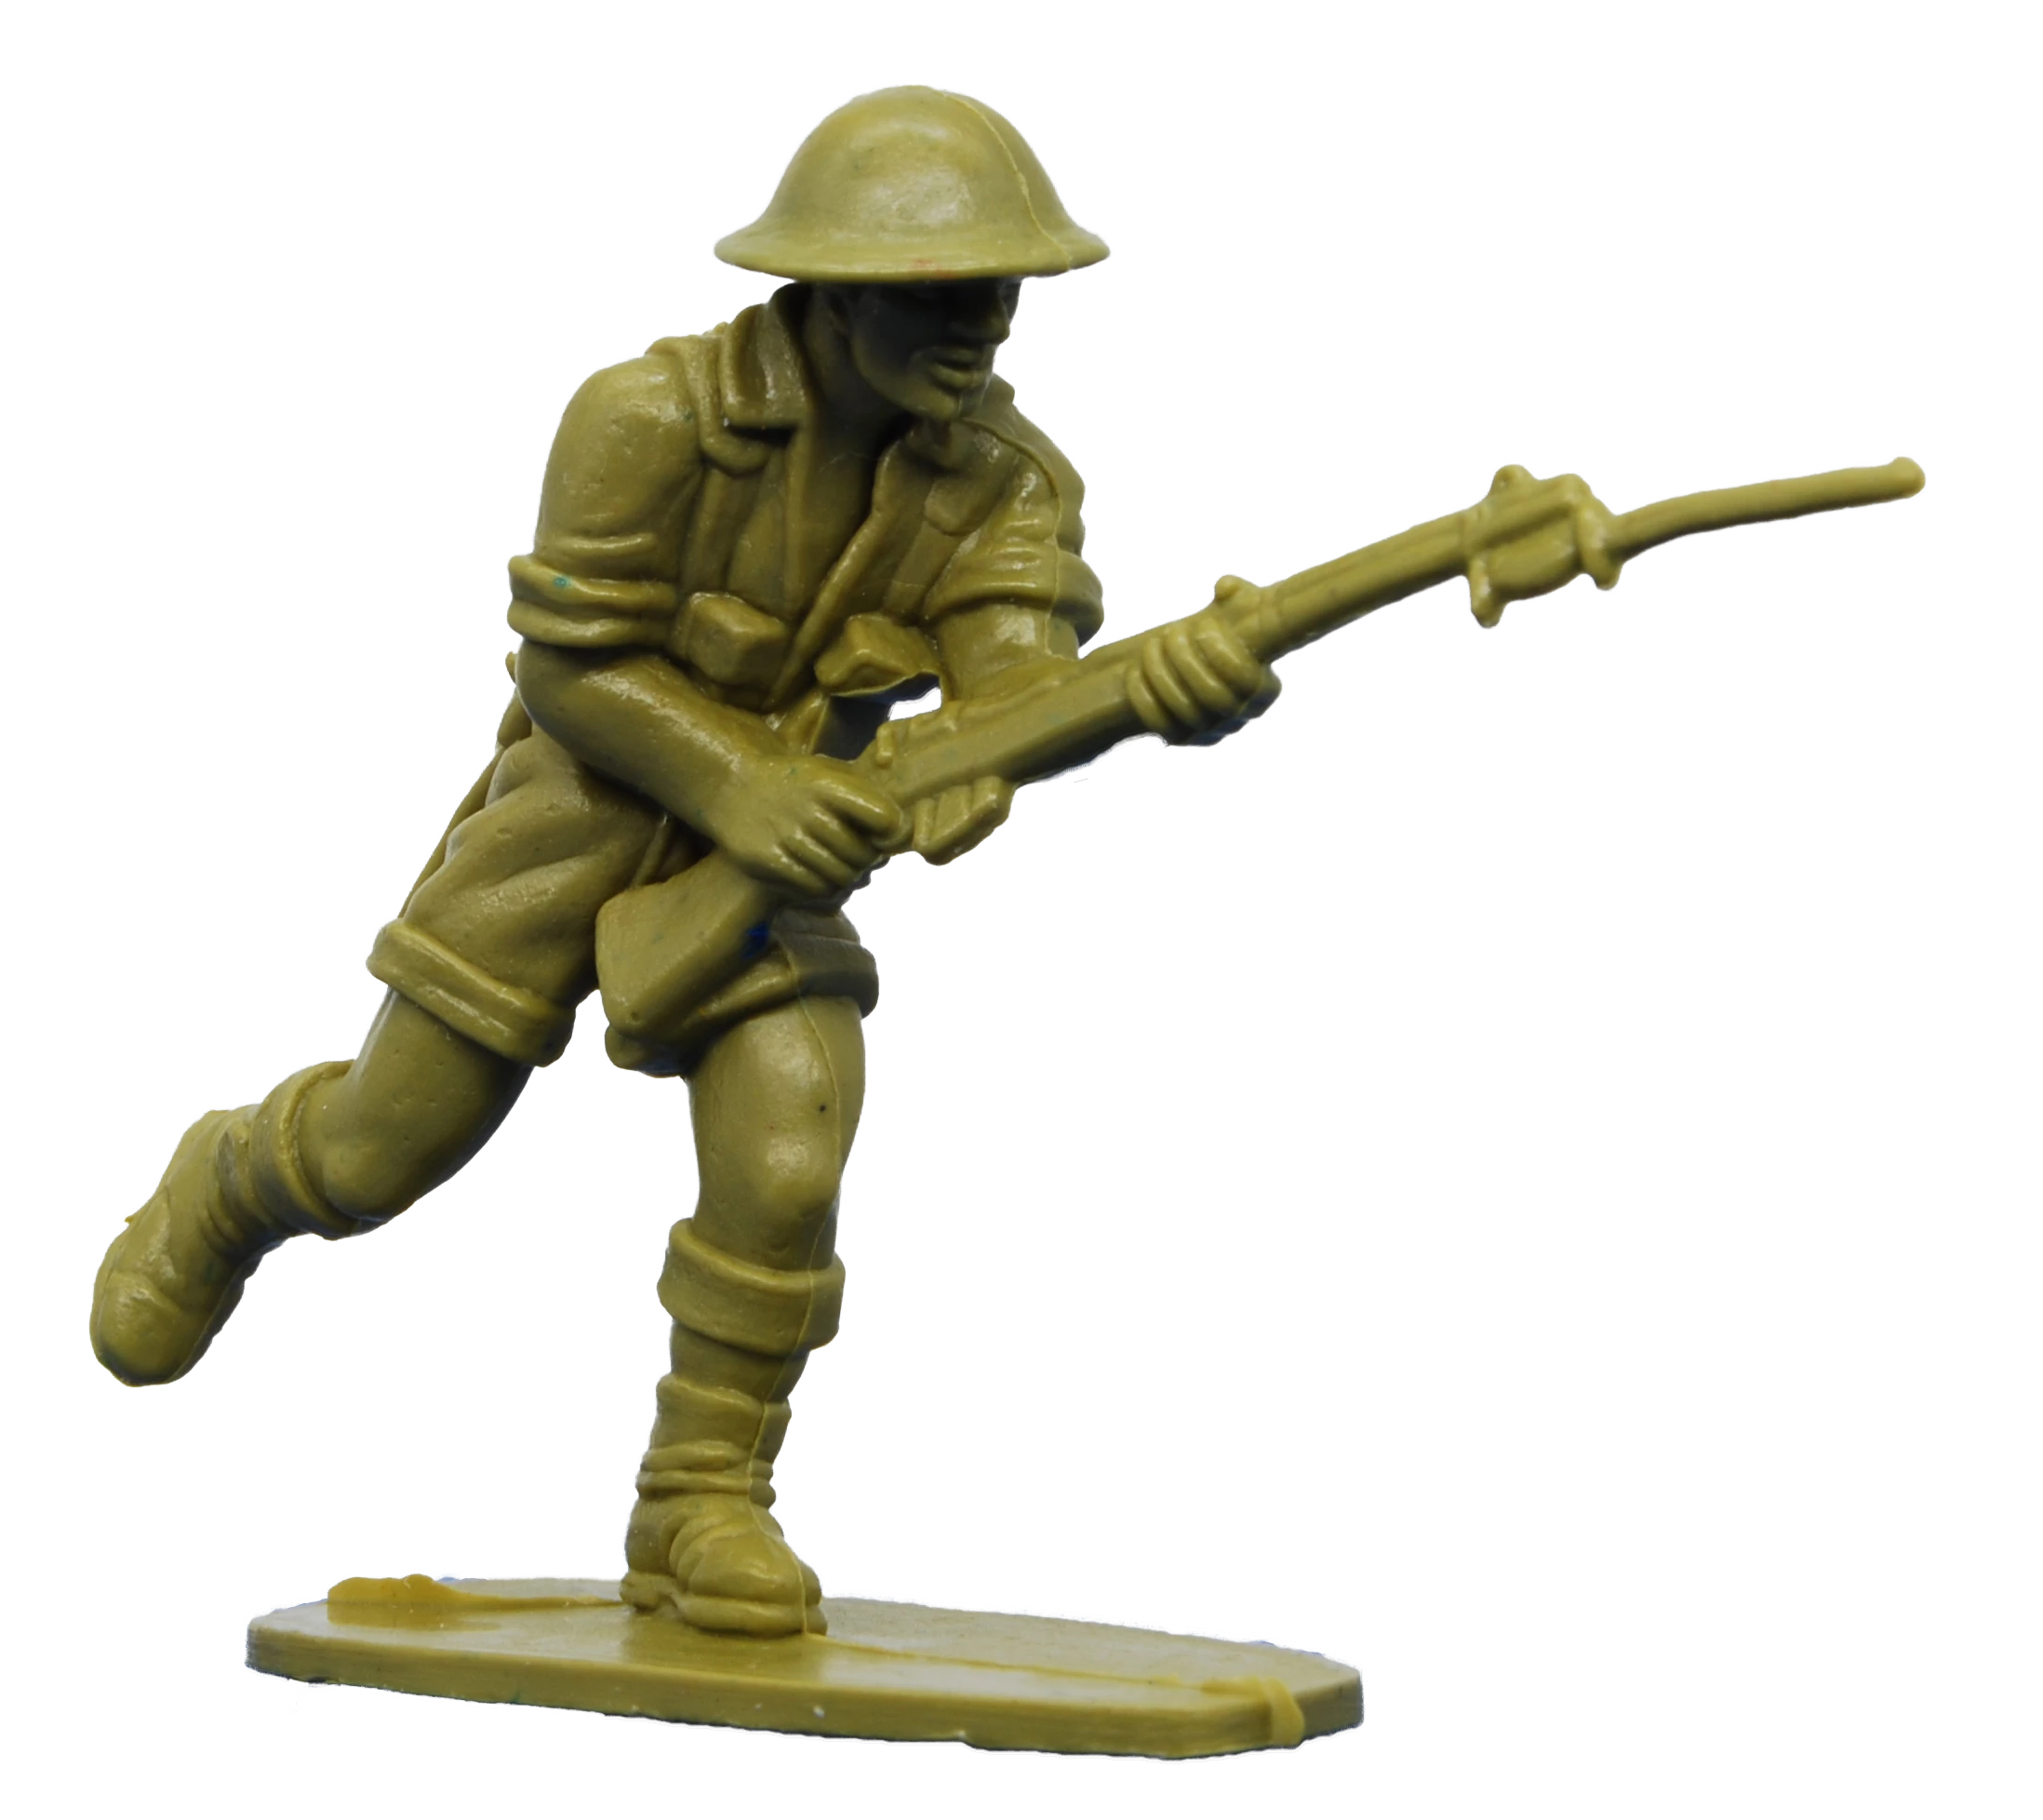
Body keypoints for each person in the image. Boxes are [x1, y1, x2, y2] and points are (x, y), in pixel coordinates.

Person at [88, 84, 1276, 1638]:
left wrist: (1148, 704)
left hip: (783, 864)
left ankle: (701, 1497)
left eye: (1003, 290)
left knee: (788, 1157)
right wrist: (741, 778)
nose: (983, 326)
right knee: (380, 1153)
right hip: (576, 818)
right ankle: (231, 1183)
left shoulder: (1005, 481)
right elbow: (572, 666)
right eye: (940, 293)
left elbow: (1012, 692)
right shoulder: (646, 415)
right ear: (831, 290)